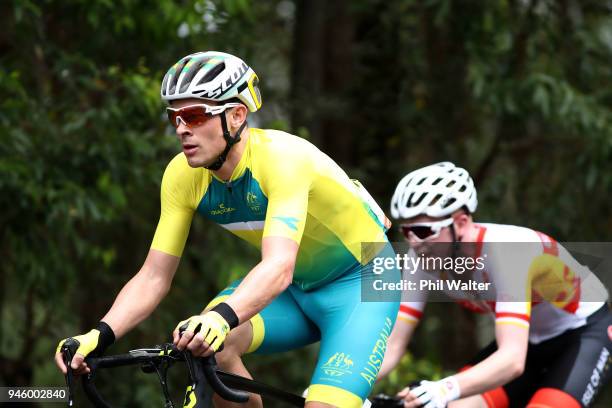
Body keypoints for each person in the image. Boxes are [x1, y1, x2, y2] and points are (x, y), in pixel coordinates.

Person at [55, 51, 400, 408]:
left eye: (194, 115)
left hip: (363, 282)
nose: (181, 128)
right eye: (174, 116)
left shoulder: (283, 160)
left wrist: (221, 318)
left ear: (237, 115)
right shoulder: (182, 175)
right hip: (295, 288)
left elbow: (278, 266)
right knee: (207, 344)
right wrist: (98, 335)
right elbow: (154, 276)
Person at [378, 162, 611, 408]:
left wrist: (443, 389)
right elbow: (393, 345)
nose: (414, 242)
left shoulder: (507, 251)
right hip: (528, 340)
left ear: (461, 222)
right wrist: (342, 389)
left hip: (583, 334)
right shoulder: (421, 260)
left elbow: (512, 359)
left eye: (424, 231)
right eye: (406, 231)